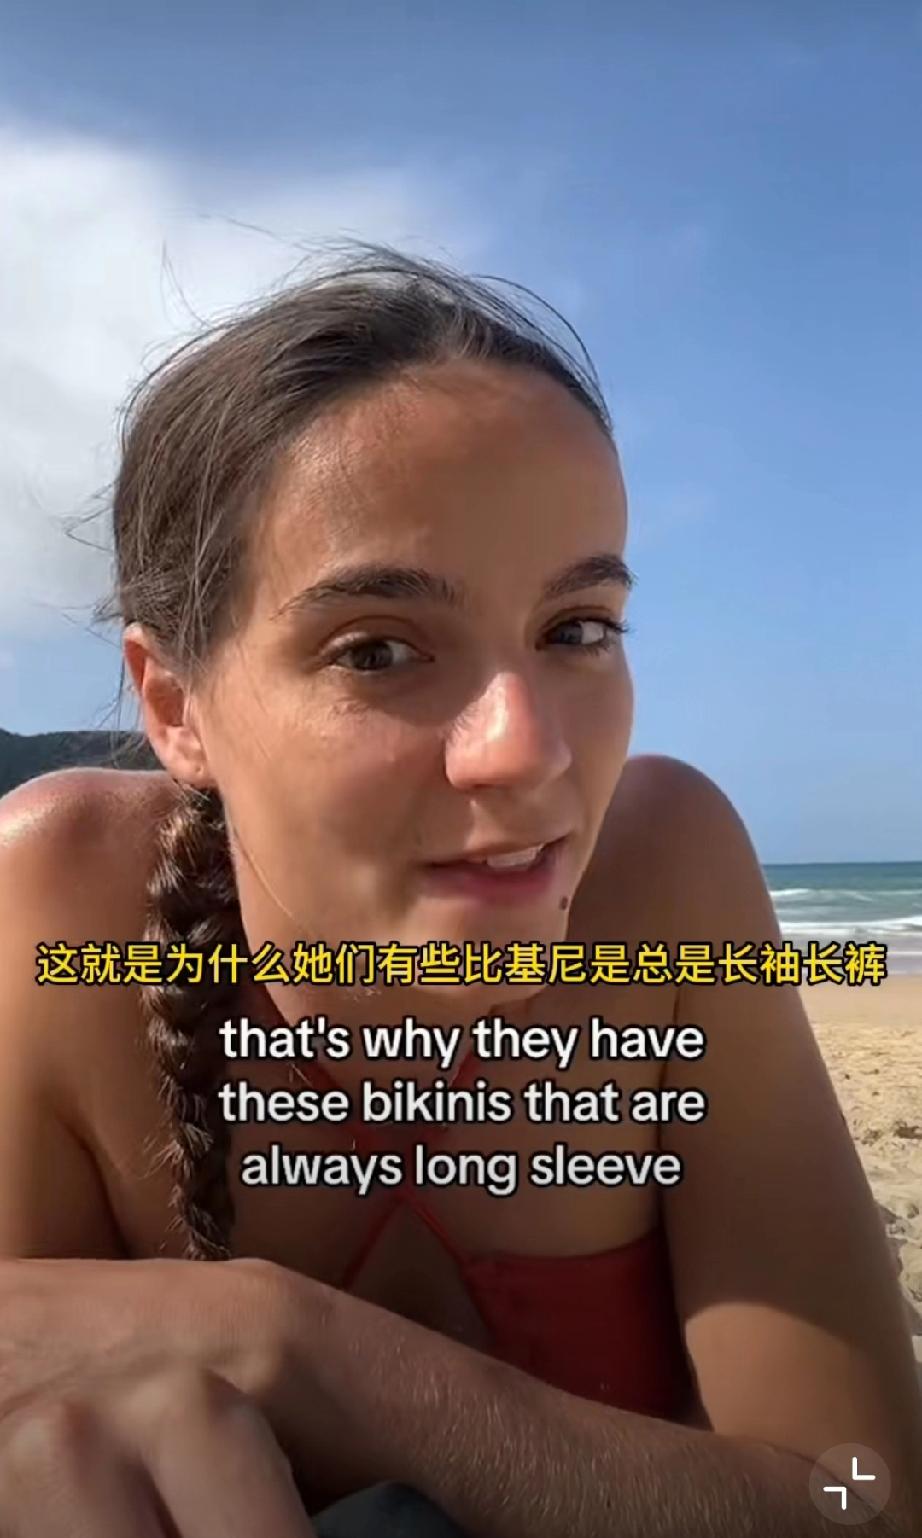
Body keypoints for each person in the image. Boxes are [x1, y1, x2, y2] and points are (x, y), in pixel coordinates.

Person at [0, 241, 918, 1538]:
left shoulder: (666, 877)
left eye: (577, 628)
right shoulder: (59, 902)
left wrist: (289, 1345)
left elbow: (865, 1500)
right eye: (377, 649)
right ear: (176, 705)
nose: (525, 751)